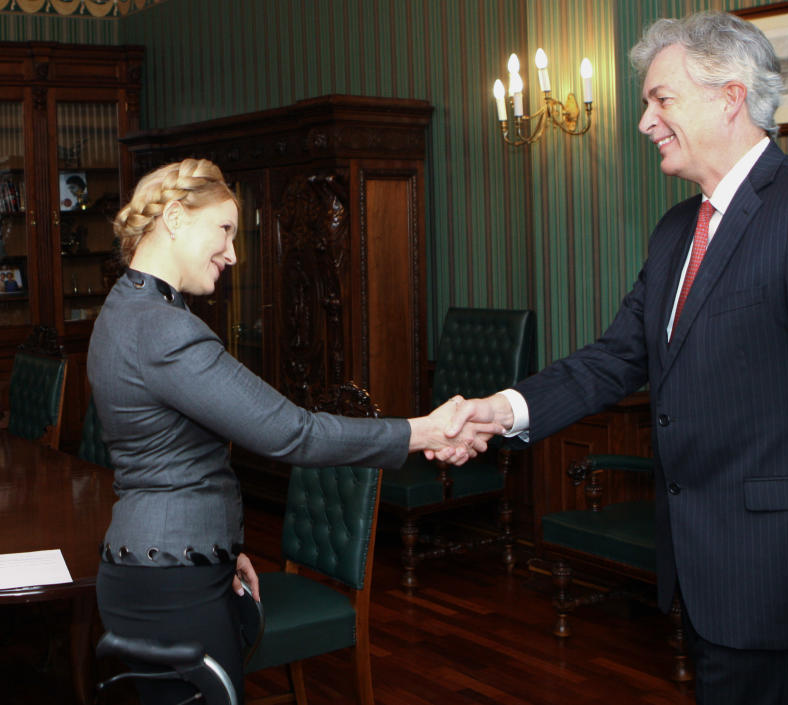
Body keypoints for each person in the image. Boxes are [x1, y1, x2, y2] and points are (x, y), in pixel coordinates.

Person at [436, 11, 788, 705]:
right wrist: (499, 409)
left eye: (660, 99)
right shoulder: (673, 233)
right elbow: (612, 360)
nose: (644, 122)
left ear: (730, 96)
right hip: (705, 580)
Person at [89, 158, 498, 705]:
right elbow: (293, 433)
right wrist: (424, 431)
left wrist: (217, 547)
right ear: (175, 219)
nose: (233, 254)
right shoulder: (165, 329)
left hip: (155, 567)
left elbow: (164, 460)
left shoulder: (124, 308)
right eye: (226, 230)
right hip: (172, 589)